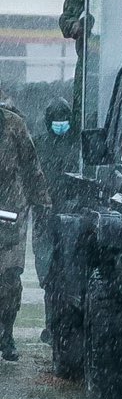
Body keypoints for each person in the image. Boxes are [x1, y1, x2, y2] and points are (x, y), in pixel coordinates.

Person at [0, 100, 53, 363]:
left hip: (10, 213)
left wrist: (42, 202)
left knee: (9, 278)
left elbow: (32, 167)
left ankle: (5, 333)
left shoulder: (14, 126)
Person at [32, 101, 76, 297]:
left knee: (68, 261)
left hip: (70, 210)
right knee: (44, 258)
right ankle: (49, 284)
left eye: (64, 120)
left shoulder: (77, 143)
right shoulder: (38, 144)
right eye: (56, 120)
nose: (60, 124)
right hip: (45, 210)